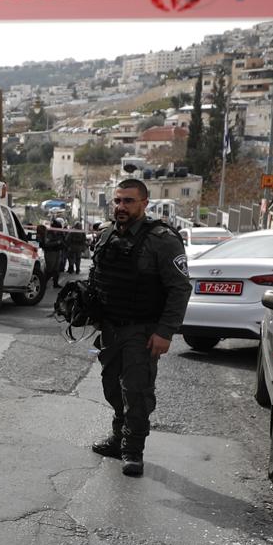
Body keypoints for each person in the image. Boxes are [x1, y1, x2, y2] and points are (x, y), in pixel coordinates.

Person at [87, 178, 191, 477]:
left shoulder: (162, 239)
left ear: (144, 203)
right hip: (110, 328)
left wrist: (165, 332)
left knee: (137, 390)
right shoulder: (107, 235)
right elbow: (99, 277)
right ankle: (118, 436)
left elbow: (180, 288)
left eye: (128, 201)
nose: (121, 206)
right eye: (117, 200)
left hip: (143, 330)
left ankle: (133, 450)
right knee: (111, 387)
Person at [38, 214, 71, 288]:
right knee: (50, 269)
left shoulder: (59, 233)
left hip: (57, 251)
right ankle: (43, 283)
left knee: (57, 269)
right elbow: (47, 244)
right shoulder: (49, 233)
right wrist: (57, 242)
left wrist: (65, 246)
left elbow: (63, 241)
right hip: (50, 252)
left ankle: (55, 283)